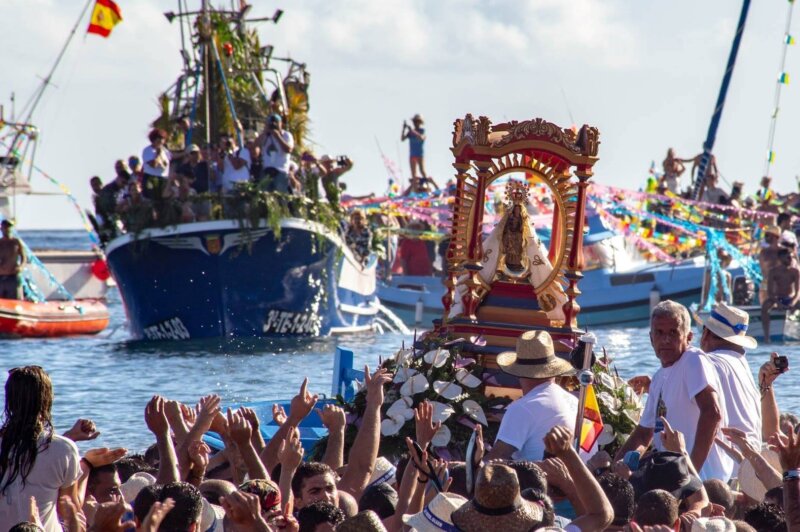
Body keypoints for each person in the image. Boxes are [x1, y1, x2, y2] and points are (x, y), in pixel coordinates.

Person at [616, 300, 734, 481]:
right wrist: (614, 470)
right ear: (651, 338)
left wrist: (689, 475)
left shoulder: (693, 360)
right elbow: (643, 434)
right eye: (659, 333)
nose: (665, 340)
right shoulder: (657, 378)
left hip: (703, 479)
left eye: (673, 332)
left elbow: (712, 413)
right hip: (675, 478)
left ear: (688, 337)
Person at [0, 367, 83, 531]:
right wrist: (87, 465)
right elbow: (70, 508)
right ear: (47, 401)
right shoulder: (64, 449)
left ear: (9, 401)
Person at [485, 330, 577, 462]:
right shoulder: (574, 401)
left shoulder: (521, 408)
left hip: (542, 481)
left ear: (517, 372)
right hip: (576, 479)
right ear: (553, 370)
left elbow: (492, 463)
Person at [762, 247, 800, 342]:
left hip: (790, 298)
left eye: (791, 258)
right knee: (765, 306)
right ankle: (767, 336)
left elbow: (798, 292)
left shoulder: (795, 272)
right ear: (781, 259)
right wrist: (777, 302)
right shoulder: (773, 272)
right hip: (777, 298)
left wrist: (792, 302)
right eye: (788, 258)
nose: (790, 260)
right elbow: (770, 292)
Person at [257, 113, 294, 193]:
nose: (274, 125)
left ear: (281, 123)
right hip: (266, 171)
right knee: (265, 198)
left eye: (276, 122)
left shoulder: (286, 135)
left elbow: (289, 149)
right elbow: (255, 146)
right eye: (271, 123)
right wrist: (265, 132)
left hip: (280, 171)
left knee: (280, 197)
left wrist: (277, 136)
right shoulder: (266, 135)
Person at [141, 128, 171, 201]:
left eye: (162, 139)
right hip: (151, 178)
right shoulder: (148, 150)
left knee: (163, 201)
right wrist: (158, 154)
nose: (161, 140)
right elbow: (153, 165)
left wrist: (185, 153)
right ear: (153, 139)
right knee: (152, 201)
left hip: (163, 179)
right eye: (159, 138)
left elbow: (170, 159)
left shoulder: (165, 151)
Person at [0, 219, 25, 300]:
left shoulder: (16, 242)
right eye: (5, 227)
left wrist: (21, 267)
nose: (7, 229)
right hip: (1, 276)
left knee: (15, 299)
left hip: (13, 276)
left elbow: (24, 257)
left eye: (9, 227)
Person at [401, 114, 427, 187]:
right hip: (412, 154)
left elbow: (421, 138)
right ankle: (415, 188)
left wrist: (412, 130)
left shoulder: (422, 131)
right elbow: (402, 139)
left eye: (417, 121)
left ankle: (427, 184)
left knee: (422, 171)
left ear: (420, 122)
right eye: (415, 121)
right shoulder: (410, 132)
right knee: (413, 173)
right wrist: (403, 129)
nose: (415, 123)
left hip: (420, 154)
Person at [759, 226, 781, 304]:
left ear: (775, 236)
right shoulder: (763, 252)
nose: (765, 237)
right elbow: (763, 270)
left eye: (767, 235)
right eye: (765, 235)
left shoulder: (784, 252)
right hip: (766, 283)